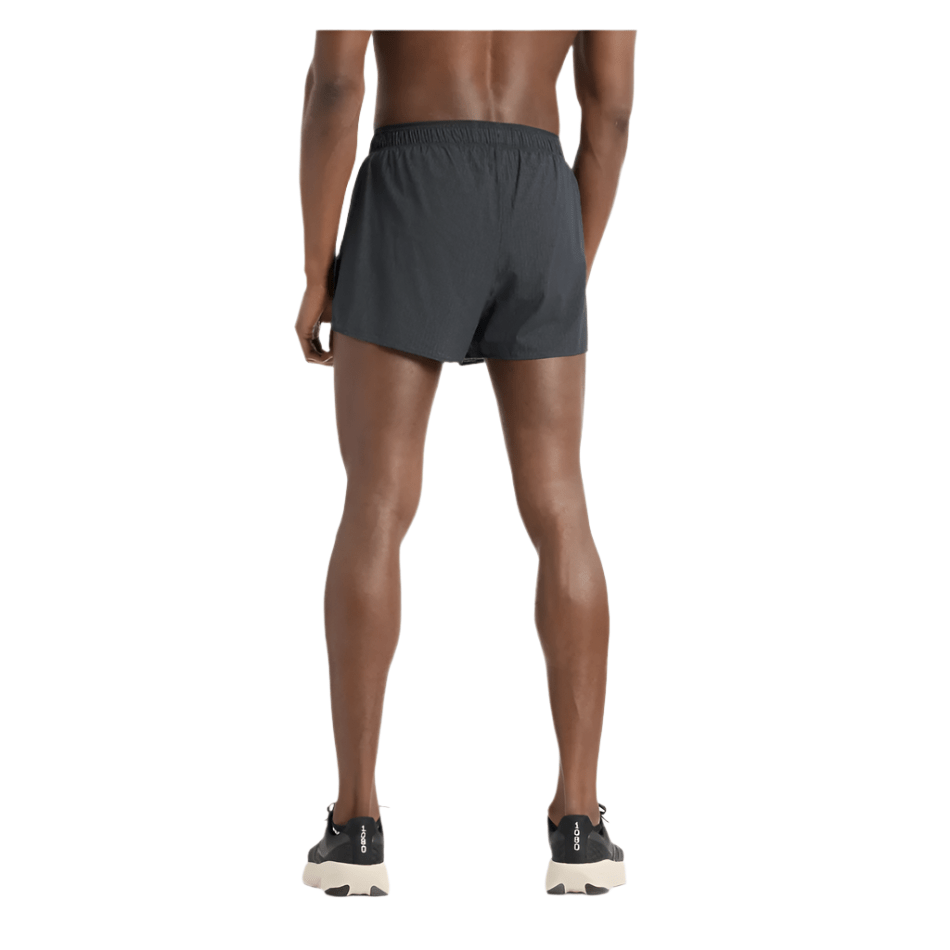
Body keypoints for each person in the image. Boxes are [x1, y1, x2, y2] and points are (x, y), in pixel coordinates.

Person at [296, 30, 635, 896]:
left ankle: (356, 825)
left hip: (414, 181)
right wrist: (566, 256)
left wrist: (316, 269)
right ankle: (580, 824)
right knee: (560, 504)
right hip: (541, 186)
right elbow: (610, 109)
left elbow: (336, 86)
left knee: (377, 501)